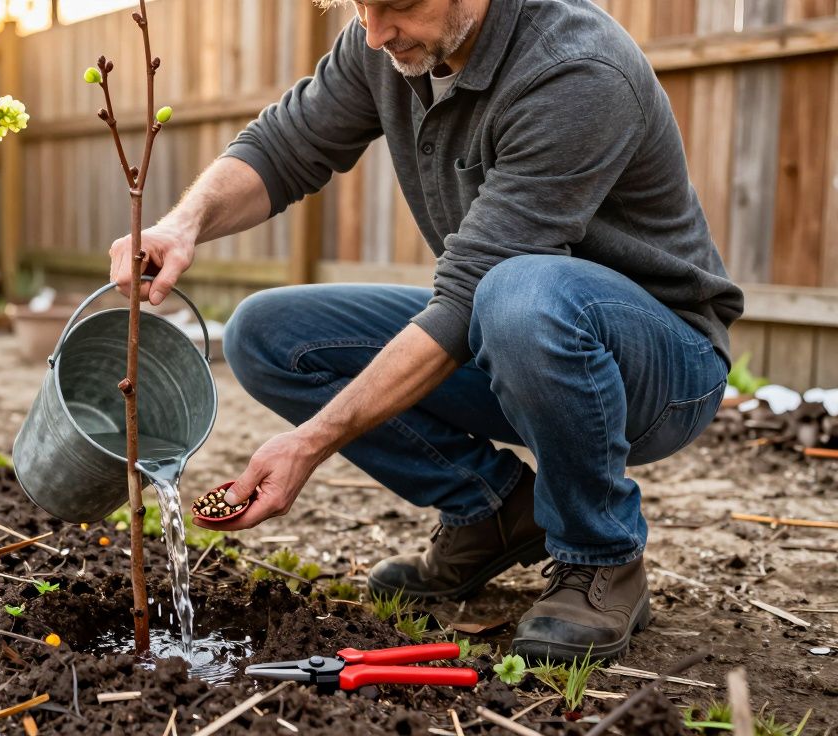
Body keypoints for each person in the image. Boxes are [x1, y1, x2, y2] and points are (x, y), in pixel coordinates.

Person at [106, 0, 742, 661]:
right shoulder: (387, 45)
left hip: (659, 367)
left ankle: (601, 553)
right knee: (266, 334)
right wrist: (181, 225)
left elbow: (468, 296)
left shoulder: (576, 71)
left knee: (516, 295)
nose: (375, 33)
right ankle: (491, 510)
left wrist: (310, 442)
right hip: (510, 329)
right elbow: (283, 147)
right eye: (362, 6)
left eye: (399, 4)